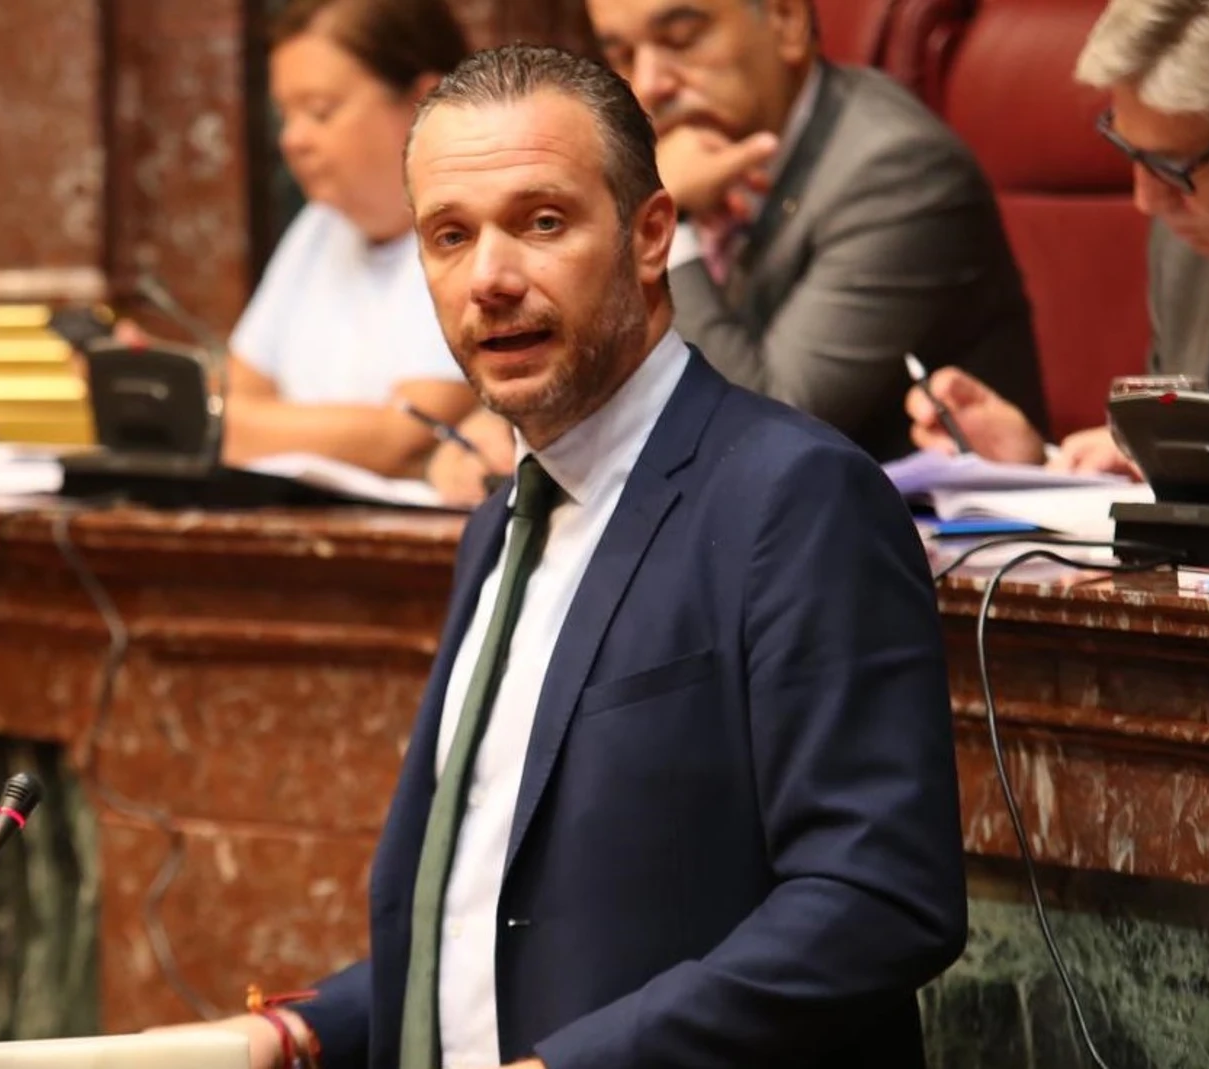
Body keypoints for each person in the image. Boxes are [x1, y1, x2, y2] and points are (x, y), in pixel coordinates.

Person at [182, 44, 967, 1069]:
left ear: (649, 235)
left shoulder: (792, 495)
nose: (490, 279)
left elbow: (876, 897)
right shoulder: (500, 521)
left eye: (541, 222)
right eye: (449, 237)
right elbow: (486, 927)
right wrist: (300, 1029)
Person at [427, 0, 1047, 504]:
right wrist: (528, 431)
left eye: (682, 36)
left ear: (784, 20)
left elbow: (765, 418)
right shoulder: (695, 160)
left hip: (923, 575)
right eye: (621, 53)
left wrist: (667, 223)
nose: (648, 83)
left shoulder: (896, 170)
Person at [906, 0, 1209, 477]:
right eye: (1130, 152)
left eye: (1173, 167)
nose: (1146, 199)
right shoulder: (1188, 247)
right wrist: (1039, 464)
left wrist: (1164, 455)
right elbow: (1184, 473)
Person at [135, 0, 478, 476]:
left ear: (424, 101)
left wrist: (198, 413)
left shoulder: (478, 233)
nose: (292, 140)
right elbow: (241, 390)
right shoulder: (320, 227)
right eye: (285, 116)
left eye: (320, 112)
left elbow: (404, 435)